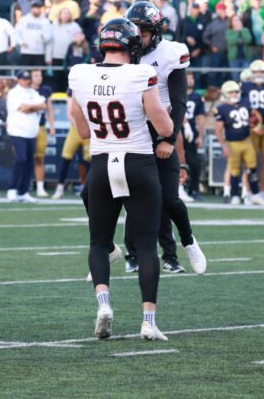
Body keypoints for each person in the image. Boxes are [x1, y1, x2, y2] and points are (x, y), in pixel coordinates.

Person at [70, 18, 173, 341]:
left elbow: (83, 130)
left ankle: (103, 304)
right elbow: (166, 128)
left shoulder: (80, 74)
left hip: (101, 162)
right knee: (145, 244)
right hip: (138, 162)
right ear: (132, 45)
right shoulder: (141, 73)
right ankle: (148, 321)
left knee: (99, 242)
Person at [125, 1, 207, 276]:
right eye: (133, 30)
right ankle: (117, 251)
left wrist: (169, 140)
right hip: (133, 129)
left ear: (156, 32)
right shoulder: (124, 51)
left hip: (162, 127)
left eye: (143, 31)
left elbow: (179, 101)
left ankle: (188, 241)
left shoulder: (171, 53)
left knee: (169, 198)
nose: (137, 36)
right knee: (129, 195)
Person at [215, 80, 264, 206]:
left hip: (247, 141)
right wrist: (223, 145)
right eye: (231, 92)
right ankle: (234, 195)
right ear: (225, 93)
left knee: (252, 168)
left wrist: (257, 125)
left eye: (236, 91)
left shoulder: (245, 102)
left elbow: (255, 114)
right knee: (234, 170)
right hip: (232, 143)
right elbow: (218, 130)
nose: (234, 94)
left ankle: (255, 194)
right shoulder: (221, 108)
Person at [5, 70, 46, 203]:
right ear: (18, 79)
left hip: (31, 132)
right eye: (23, 78)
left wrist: (30, 107)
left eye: (28, 78)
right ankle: (12, 189)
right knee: (21, 159)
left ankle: (23, 192)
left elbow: (43, 106)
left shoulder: (33, 92)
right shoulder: (14, 92)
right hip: (17, 131)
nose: (26, 80)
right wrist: (35, 107)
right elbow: (22, 108)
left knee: (29, 163)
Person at [241, 60, 264, 201]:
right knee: (250, 161)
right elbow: (241, 106)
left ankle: (263, 191)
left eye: (261, 72)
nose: (259, 74)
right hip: (252, 127)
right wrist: (253, 125)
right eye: (256, 72)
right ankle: (248, 191)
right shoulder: (245, 86)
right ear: (251, 73)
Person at [52, 94, 90, 200]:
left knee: (89, 161)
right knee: (66, 157)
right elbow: (70, 113)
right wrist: (80, 125)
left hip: (89, 128)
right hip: (76, 129)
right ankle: (59, 188)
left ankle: (88, 188)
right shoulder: (74, 88)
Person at [30, 69, 54, 197]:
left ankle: (40, 186)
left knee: (39, 157)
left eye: (39, 75)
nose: (39, 77)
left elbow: (49, 108)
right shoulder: (25, 90)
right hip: (26, 127)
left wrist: (52, 125)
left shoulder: (45, 90)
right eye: (35, 75)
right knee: (24, 158)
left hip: (40, 126)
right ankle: (24, 185)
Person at [183, 72, 206, 201]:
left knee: (194, 163)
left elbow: (201, 117)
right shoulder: (176, 93)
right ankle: (180, 188)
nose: (190, 80)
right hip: (176, 132)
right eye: (188, 77)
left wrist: (201, 136)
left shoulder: (197, 97)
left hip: (191, 134)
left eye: (192, 77)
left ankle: (195, 188)